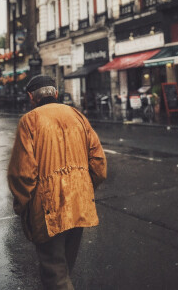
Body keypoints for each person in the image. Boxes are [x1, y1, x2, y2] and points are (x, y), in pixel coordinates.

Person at [7, 74, 107, 289]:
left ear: (31, 97)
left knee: (55, 275)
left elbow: (22, 173)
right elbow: (98, 163)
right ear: (56, 94)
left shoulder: (29, 120)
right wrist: (84, 188)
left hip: (49, 207)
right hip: (79, 202)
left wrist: (22, 205)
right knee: (65, 267)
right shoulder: (77, 115)